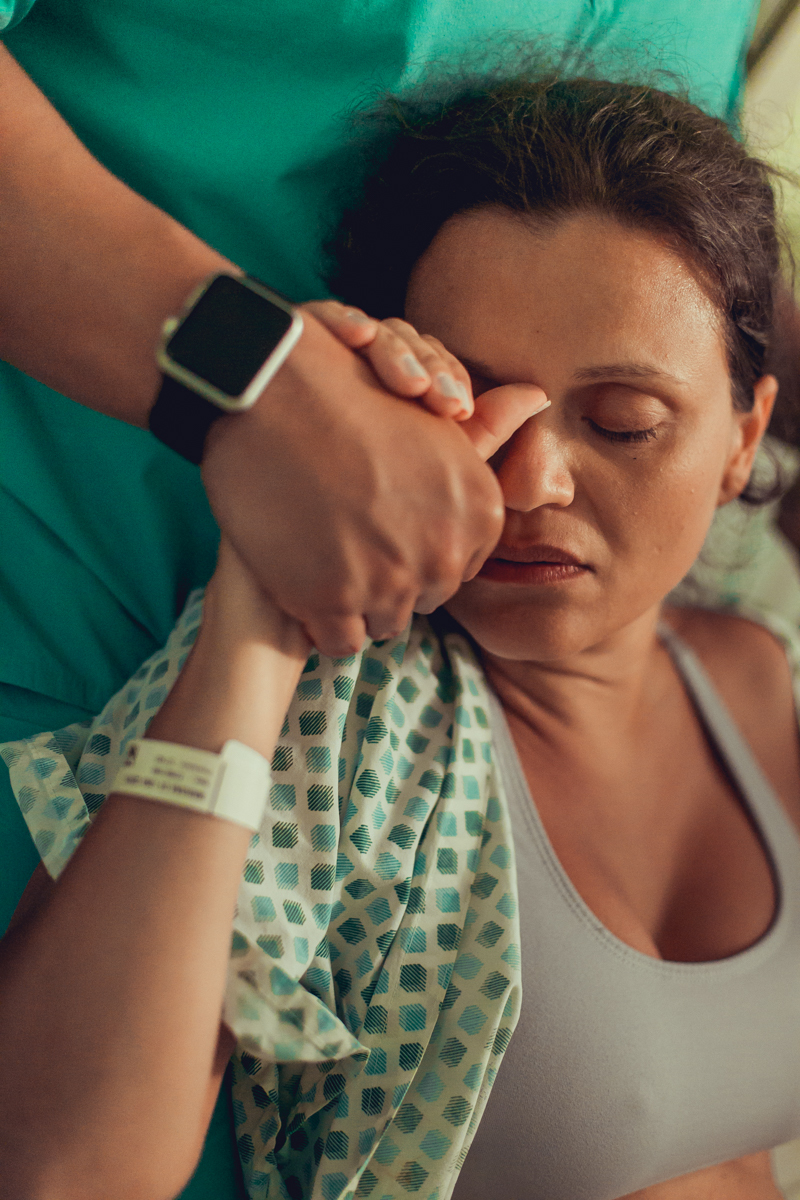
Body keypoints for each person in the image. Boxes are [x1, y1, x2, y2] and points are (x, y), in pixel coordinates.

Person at [0, 7, 768, 1194]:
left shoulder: (760, 665)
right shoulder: (358, 739)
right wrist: (257, 428)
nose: (537, 483)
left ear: (745, 432)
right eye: (481, 403)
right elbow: (68, 1169)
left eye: (623, 422)